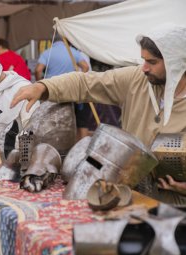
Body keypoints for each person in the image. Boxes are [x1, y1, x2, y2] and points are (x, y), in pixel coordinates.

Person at [11, 24, 186, 204]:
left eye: (152, 62)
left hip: (174, 208)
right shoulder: (137, 80)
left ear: (176, 62)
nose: (144, 68)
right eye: (144, 60)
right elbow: (86, 83)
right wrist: (43, 87)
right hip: (127, 197)